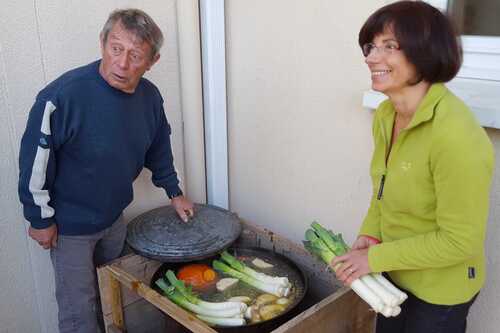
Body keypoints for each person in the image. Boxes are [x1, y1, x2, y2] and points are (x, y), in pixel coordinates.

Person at [18, 8, 194, 333]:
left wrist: (175, 193)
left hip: (114, 219)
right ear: (102, 43)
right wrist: (39, 218)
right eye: (116, 48)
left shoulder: (150, 98)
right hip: (69, 228)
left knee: (113, 296)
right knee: (78, 313)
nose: (122, 63)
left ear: (152, 61)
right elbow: (35, 162)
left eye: (135, 55)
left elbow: (159, 147)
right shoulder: (61, 97)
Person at [331, 2, 494, 333]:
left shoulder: (457, 136)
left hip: (440, 292)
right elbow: (383, 189)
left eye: (389, 46)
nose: (371, 57)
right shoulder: (386, 116)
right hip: (394, 273)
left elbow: (459, 241)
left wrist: (372, 260)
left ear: (426, 53)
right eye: (371, 46)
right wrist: (369, 234)